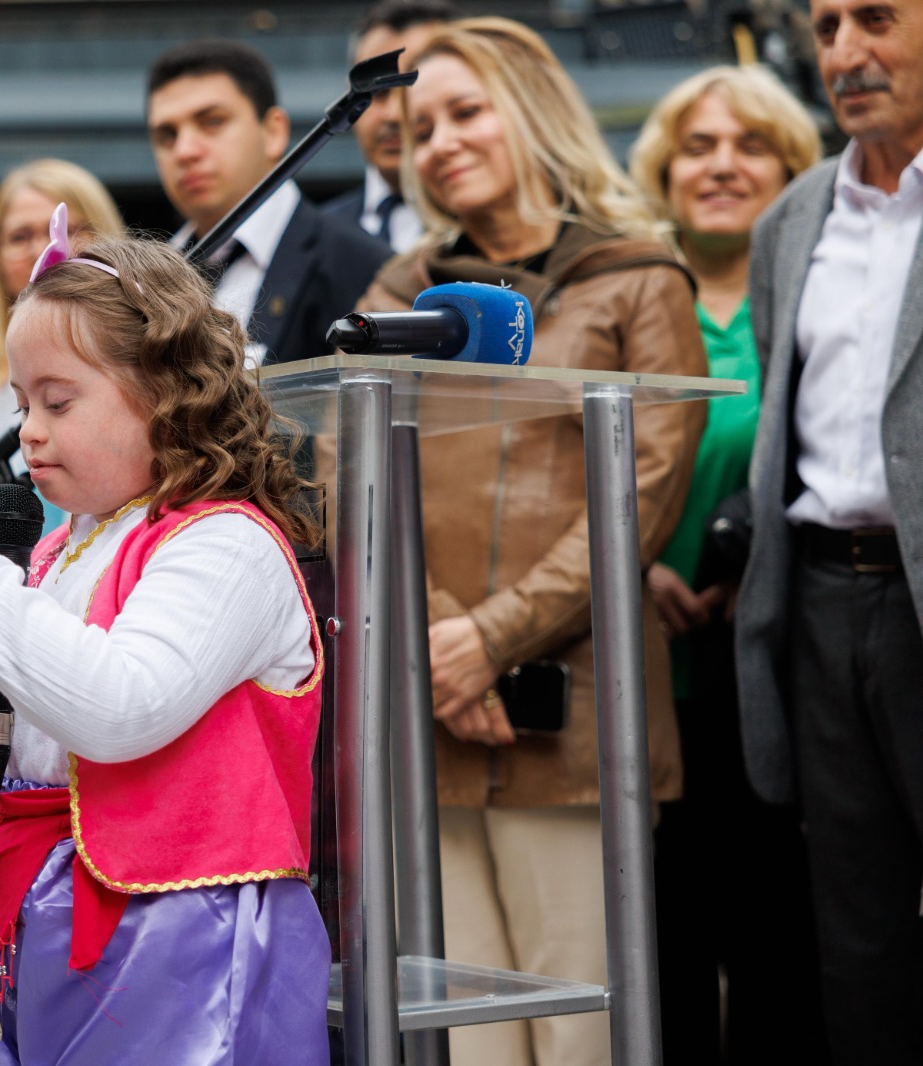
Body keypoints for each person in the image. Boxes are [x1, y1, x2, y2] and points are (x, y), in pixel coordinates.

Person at [0, 227, 330, 1064]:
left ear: (164, 391)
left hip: (189, 938)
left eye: (59, 401)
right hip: (56, 924)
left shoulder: (226, 545)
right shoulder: (54, 551)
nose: (29, 433)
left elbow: (120, 710)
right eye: (20, 405)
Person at [355, 18, 707, 1066]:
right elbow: (350, 478)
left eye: (466, 113)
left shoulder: (639, 276)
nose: (440, 142)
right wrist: (436, 647)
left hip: (578, 723)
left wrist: (488, 639)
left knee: (577, 1029)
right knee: (467, 1039)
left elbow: (641, 489)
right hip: (433, 723)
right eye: (421, 126)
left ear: (533, 113)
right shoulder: (394, 295)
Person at [735, 0, 923, 1058]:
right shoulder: (791, 219)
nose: (845, 53)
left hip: (911, 587)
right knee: (856, 933)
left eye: (876, 20)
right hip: (814, 595)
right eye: (825, 26)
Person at [627, 65, 826, 1065]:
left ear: (794, 171)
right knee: (661, 935)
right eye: (697, 146)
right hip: (644, 667)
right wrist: (636, 564)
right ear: (661, 173)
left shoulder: (818, 289)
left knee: (779, 939)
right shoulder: (627, 297)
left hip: (791, 661)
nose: (721, 165)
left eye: (751, 146)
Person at [147, 39, 388, 366]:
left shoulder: (362, 265)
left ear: (274, 132)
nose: (185, 150)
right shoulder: (145, 279)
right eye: (167, 135)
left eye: (212, 121)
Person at [0, 158, 126, 400]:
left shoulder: (150, 351)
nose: (41, 251)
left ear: (105, 237)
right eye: (20, 237)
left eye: (66, 230)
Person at [323, 0, 454, 251]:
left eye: (414, 88)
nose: (394, 115)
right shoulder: (312, 239)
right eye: (375, 92)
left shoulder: (498, 229)